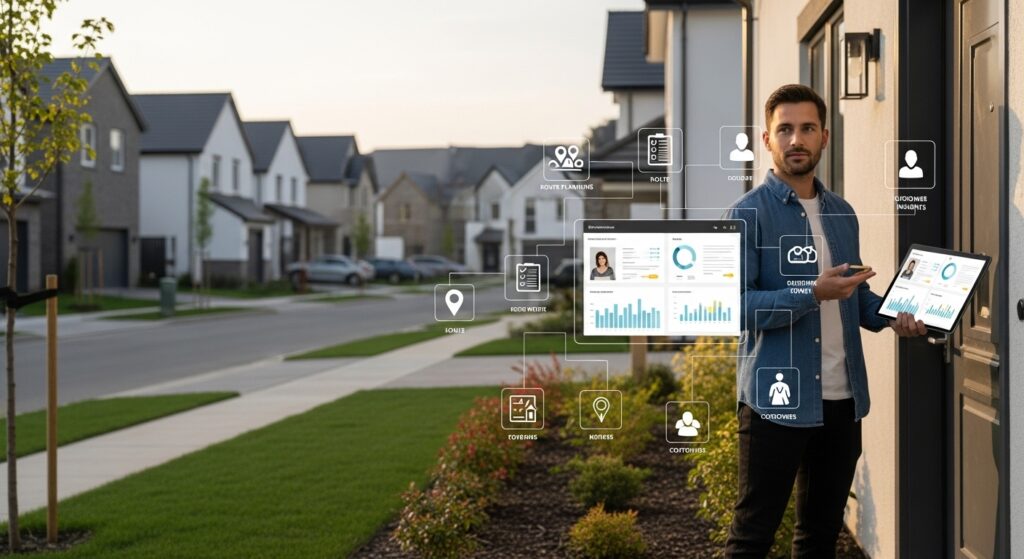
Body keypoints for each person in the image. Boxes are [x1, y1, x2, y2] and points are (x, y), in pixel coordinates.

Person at [723, 84, 928, 558]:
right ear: (766, 140)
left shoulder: (842, 214)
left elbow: (853, 299)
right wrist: (811, 292)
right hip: (776, 401)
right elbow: (736, 306)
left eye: (807, 128)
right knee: (752, 537)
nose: (797, 139)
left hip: (841, 401)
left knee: (819, 538)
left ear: (825, 136)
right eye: (785, 129)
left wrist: (896, 316)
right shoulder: (745, 215)